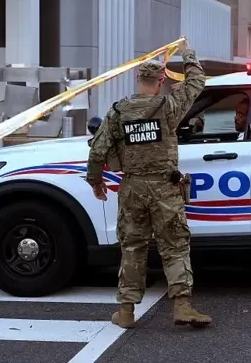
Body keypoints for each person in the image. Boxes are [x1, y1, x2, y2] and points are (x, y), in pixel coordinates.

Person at [85, 37, 212, 329]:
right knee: (175, 246)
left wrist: (96, 182)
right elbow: (197, 82)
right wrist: (187, 53)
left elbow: (98, 150)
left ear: (137, 79)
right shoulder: (169, 106)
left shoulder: (118, 112)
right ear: (161, 80)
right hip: (165, 188)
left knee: (132, 247)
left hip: (132, 189)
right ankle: (182, 305)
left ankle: (126, 311)